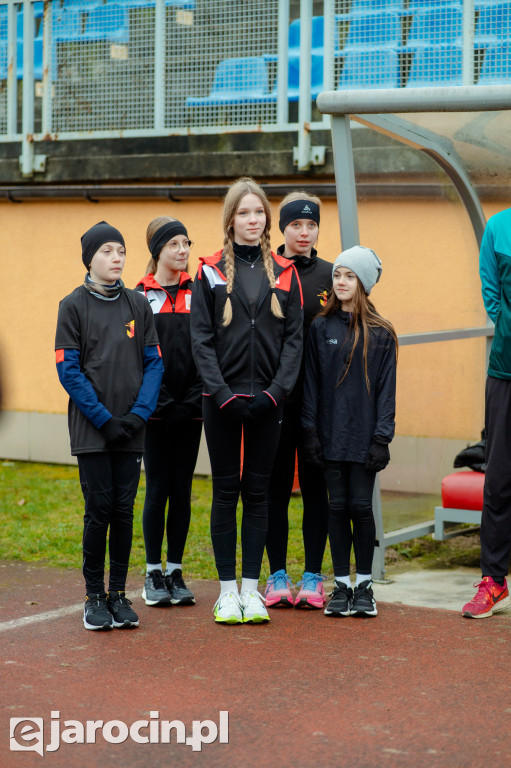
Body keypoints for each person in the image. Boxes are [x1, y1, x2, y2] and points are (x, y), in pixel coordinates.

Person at [190, 177, 303, 624]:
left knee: (257, 494)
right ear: (230, 219)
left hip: (268, 403)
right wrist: (221, 394)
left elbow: (294, 340)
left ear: (266, 220)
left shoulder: (286, 272)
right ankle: (225, 592)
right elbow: (200, 338)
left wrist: (276, 392)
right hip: (220, 402)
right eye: (244, 213)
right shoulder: (210, 271)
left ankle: (252, 592)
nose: (252, 220)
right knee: (225, 492)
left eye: (259, 213)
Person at [55, 221, 163, 631]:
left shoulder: (137, 305)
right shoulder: (72, 305)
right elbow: (69, 371)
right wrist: (103, 418)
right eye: (107, 251)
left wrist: (138, 415)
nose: (116, 258)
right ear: (90, 259)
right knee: (98, 512)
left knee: (123, 511)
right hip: (93, 432)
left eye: (121, 251)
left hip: (132, 429)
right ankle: (94, 596)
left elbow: (154, 362)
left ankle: (119, 594)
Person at [302, 245, 397, 618]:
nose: (340, 282)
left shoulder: (382, 333)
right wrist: (309, 431)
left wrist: (382, 438)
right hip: (328, 435)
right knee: (336, 506)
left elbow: (387, 391)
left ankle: (365, 587)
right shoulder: (319, 327)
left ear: (364, 283)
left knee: (360, 505)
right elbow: (310, 382)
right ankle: (341, 584)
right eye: (337, 275)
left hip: (365, 438)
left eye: (349, 276)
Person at [264, 192, 332, 610]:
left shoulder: (331, 275)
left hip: (318, 404)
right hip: (275, 400)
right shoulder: (266, 271)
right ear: (282, 229)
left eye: (311, 225)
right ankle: (275, 576)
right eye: (295, 225)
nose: (304, 233)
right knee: (273, 489)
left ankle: (311, 577)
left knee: (315, 488)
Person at [135, 216, 202, 608]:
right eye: (174, 244)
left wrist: (192, 401)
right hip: (156, 412)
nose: (183, 251)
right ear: (157, 250)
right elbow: (137, 358)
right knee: (157, 488)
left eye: (186, 243)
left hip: (192, 410)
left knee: (182, 490)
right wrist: (159, 402)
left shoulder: (202, 293)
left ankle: (175, 571)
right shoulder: (139, 296)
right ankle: (152, 572)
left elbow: (209, 350)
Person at [462, 209, 511, 618]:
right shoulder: (498, 226)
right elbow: (492, 295)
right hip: (506, 371)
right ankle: (494, 582)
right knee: (498, 479)